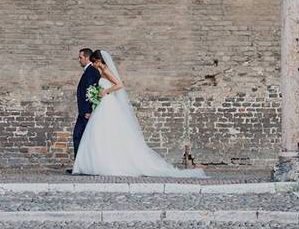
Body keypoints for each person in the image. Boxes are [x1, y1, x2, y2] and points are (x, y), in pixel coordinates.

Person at [72, 49, 206, 177]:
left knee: (110, 132)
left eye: (95, 62)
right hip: (104, 105)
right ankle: (98, 162)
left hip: (109, 103)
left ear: (100, 61)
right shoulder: (100, 72)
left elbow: (119, 85)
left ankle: (111, 163)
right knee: (101, 133)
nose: (94, 64)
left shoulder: (106, 70)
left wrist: (106, 91)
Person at [70, 47, 100, 172]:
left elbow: (90, 91)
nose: (79, 60)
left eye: (80, 57)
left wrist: (88, 111)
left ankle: (82, 167)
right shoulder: (89, 71)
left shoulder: (91, 71)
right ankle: (80, 166)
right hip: (83, 112)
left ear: (87, 58)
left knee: (80, 137)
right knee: (79, 137)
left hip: (86, 113)